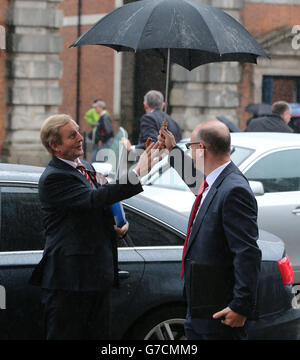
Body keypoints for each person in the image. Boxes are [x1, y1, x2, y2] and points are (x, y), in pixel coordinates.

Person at [29, 114, 160, 340]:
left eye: (79, 131)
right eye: (72, 135)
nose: (81, 138)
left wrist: (118, 223)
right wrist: (137, 172)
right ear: (55, 146)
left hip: (96, 277)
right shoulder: (54, 177)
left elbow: (100, 203)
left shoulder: (85, 166)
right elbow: (93, 199)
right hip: (70, 282)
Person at [158, 120, 261, 340]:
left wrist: (240, 306)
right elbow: (199, 185)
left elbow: (247, 252)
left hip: (220, 310)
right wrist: (173, 151)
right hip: (201, 306)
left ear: (201, 149)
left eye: (190, 148)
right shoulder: (216, 182)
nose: (191, 153)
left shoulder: (234, 190)